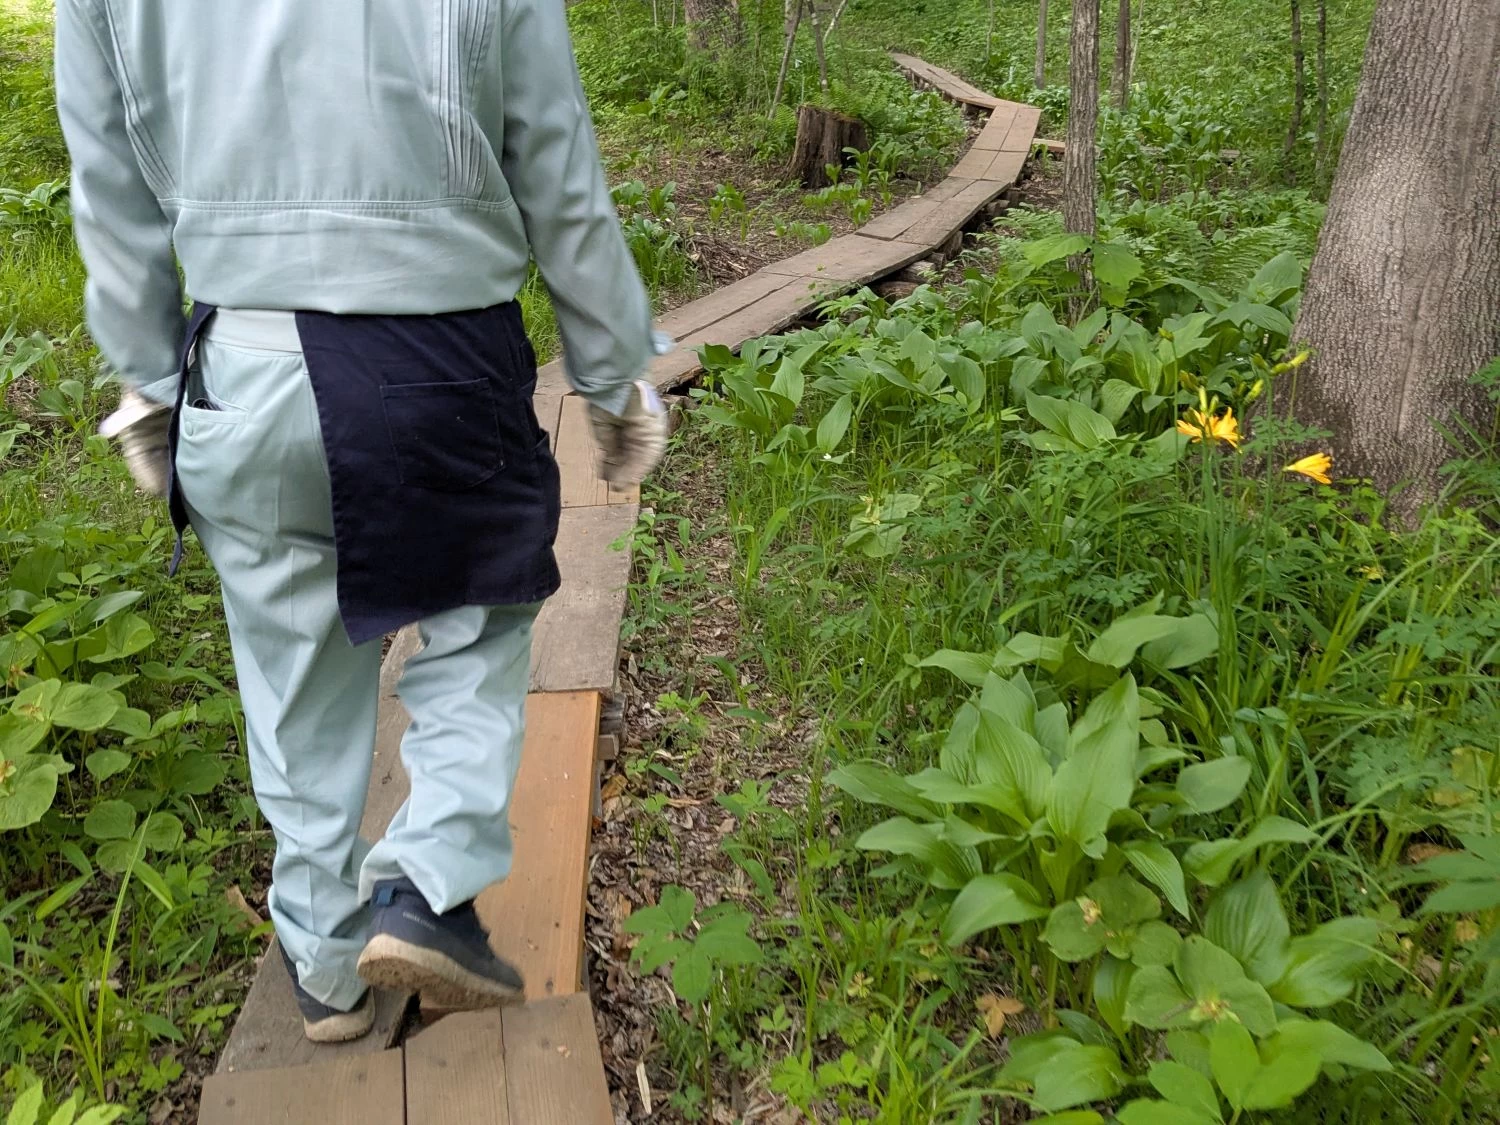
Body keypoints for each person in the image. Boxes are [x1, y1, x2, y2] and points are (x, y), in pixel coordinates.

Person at [55, 0, 668, 1044]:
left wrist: (148, 385)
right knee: (476, 621)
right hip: (441, 359)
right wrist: (612, 377)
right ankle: (427, 885)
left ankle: (325, 967)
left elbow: (107, 188)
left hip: (239, 364)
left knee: (291, 672)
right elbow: (559, 169)